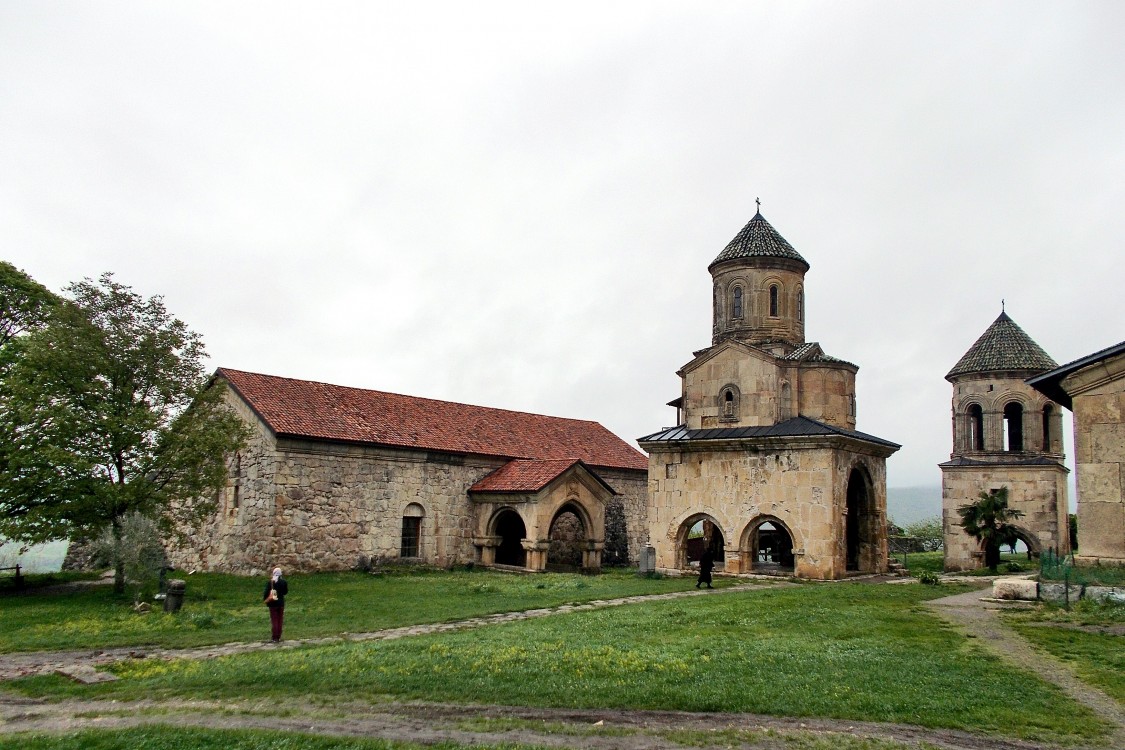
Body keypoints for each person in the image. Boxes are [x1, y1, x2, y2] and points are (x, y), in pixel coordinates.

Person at [263, 567, 288, 642]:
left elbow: (266, 592)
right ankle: (279, 636)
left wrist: (265, 599)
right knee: (280, 620)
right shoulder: (284, 582)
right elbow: (285, 592)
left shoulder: (271, 582)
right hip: (281, 603)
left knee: (274, 620)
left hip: (273, 604)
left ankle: (275, 637)